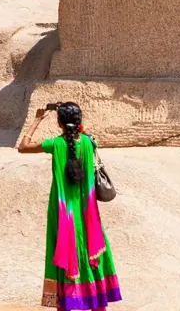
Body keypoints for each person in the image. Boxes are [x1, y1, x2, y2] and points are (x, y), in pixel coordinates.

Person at [18, 102, 122, 311]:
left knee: (64, 251)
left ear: (59, 123)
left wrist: (37, 119)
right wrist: (76, 123)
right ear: (79, 121)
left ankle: (65, 304)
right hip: (87, 213)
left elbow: (23, 147)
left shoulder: (55, 144)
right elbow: (86, 134)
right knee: (90, 251)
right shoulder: (90, 143)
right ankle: (97, 303)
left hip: (63, 212)